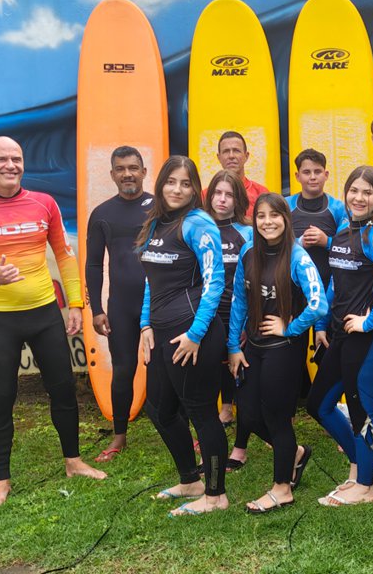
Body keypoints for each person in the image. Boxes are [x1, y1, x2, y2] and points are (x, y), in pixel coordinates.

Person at [0, 136, 106, 506]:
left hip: (44, 313)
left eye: (16, 158)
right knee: (1, 398)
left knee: (63, 389)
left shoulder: (44, 203)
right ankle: (2, 481)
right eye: (1, 159)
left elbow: (64, 255)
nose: (10, 165)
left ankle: (73, 461)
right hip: (0, 320)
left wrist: (76, 304)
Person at [137, 155, 228, 516]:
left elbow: (215, 282)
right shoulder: (156, 222)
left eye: (185, 183)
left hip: (191, 333)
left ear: (194, 190)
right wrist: (145, 325)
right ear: (160, 184)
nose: (177, 189)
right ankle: (190, 479)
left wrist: (196, 334)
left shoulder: (199, 224)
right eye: (171, 181)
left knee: (202, 412)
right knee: (158, 407)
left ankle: (216, 495)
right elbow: (152, 281)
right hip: (162, 331)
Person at [307, 165, 373, 506]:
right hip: (340, 335)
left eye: (367, 192)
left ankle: (364, 487)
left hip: (368, 339)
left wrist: (369, 321)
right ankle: (361, 466)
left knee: (361, 411)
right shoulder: (345, 229)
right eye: (354, 190)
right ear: (345, 192)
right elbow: (337, 282)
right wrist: (321, 323)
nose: (359, 197)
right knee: (318, 405)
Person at [227, 193, 326, 513]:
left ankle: (282, 488)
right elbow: (239, 302)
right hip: (253, 347)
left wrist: (291, 327)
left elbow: (319, 304)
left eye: (274, 215)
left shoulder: (298, 257)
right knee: (247, 411)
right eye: (261, 216)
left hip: (283, 349)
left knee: (276, 416)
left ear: (286, 218)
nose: (267, 222)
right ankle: (294, 453)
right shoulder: (248, 252)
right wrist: (233, 346)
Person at [85, 145, 153, 463]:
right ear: (112, 174)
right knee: (124, 370)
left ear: (144, 172)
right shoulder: (102, 214)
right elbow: (94, 264)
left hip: (159, 304)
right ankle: (119, 436)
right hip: (122, 306)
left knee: (166, 370)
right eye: (121, 169)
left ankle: (185, 431)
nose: (128, 174)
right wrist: (97, 310)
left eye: (133, 168)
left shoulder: (160, 208)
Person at [203, 170, 253, 465]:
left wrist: (245, 324)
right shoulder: (198, 228)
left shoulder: (247, 233)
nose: (222, 200)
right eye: (217, 193)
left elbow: (254, 281)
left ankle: (240, 449)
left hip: (239, 321)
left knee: (242, 386)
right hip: (207, 321)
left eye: (229, 194)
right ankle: (209, 440)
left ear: (238, 200)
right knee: (207, 385)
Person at [286, 148, 346, 294]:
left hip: (329, 288)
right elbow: (275, 244)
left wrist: (327, 242)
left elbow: (349, 248)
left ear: (326, 175)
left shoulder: (338, 208)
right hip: (291, 286)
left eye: (317, 172)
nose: (312, 177)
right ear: (297, 176)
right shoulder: (285, 206)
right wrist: (300, 243)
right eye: (307, 172)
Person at [217, 130, 268, 216]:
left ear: (246, 156)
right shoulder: (206, 195)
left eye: (236, 150)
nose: (231, 156)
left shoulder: (261, 193)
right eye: (226, 151)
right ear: (219, 157)